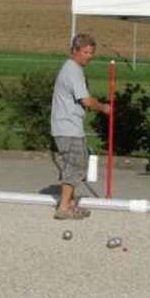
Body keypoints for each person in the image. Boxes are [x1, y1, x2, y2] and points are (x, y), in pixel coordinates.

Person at [50, 33, 111, 220]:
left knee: (71, 167)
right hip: (69, 128)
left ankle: (69, 203)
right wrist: (104, 107)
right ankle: (64, 208)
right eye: (85, 52)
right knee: (75, 167)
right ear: (74, 51)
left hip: (63, 126)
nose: (89, 56)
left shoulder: (70, 69)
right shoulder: (74, 70)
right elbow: (85, 100)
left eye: (91, 53)